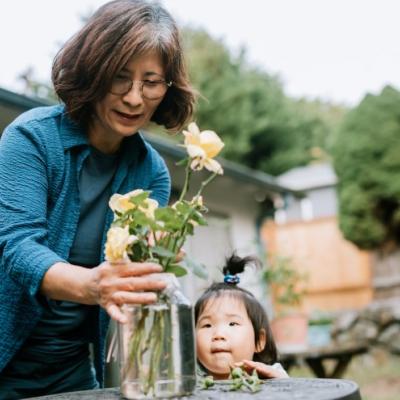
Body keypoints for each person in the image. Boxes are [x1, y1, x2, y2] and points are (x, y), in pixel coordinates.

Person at [0, 0, 195, 398]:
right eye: (120, 78)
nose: (135, 98)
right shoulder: (32, 139)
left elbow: (131, 274)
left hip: (74, 372)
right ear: (94, 71)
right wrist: (92, 285)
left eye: (151, 82)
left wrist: (156, 256)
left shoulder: (151, 171)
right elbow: (17, 247)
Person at [195, 254, 289, 380]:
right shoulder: (192, 384)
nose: (218, 335)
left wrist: (280, 381)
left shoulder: (270, 375)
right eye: (207, 325)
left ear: (259, 341)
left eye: (232, 323)